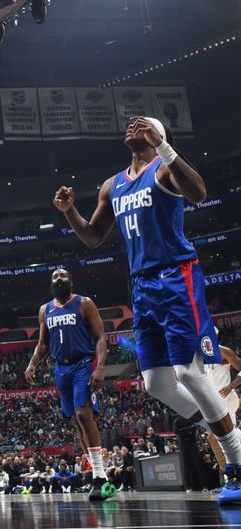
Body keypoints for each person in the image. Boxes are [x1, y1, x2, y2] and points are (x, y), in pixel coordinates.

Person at [53, 116, 241, 504]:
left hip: (176, 276)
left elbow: (200, 193)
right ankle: (225, 429)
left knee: (189, 372)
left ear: (157, 135)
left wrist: (166, 147)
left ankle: (235, 462)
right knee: (157, 384)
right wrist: (70, 212)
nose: (130, 125)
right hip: (141, 286)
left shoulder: (165, 168)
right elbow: (92, 237)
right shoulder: (113, 184)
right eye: (130, 123)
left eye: (142, 123)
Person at [25, 269, 116, 501]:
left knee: (83, 415)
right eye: (55, 277)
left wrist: (101, 367)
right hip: (60, 368)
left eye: (63, 276)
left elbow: (100, 337)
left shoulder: (84, 303)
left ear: (70, 281)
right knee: (76, 421)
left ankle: (100, 477)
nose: (58, 279)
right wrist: (33, 363)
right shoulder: (45, 310)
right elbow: (43, 344)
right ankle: (96, 471)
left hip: (83, 364)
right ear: (51, 284)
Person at [206, 344, 241, 484]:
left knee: (215, 438)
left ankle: (231, 479)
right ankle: (230, 479)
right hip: (214, 402)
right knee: (216, 439)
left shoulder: (222, 351)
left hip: (226, 399)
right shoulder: (200, 353)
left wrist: (230, 386)